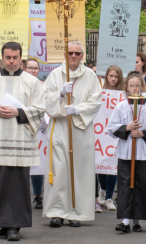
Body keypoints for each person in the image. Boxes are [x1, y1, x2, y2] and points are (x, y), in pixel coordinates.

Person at [0, 42, 45, 241]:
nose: (11, 61)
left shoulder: (32, 82)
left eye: (15, 58)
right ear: (2, 58)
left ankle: (14, 225)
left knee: (15, 184)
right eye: (8, 57)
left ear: (21, 58)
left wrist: (18, 111)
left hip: (19, 140)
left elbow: (40, 109)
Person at [43, 41, 102, 228]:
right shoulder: (55, 75)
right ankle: (57, 212)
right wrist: (60, 94)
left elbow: (96, 100)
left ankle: (77, 212)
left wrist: (78, 109)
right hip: (60, 127)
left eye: (77, 53)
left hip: (80, 129)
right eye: (70, 53)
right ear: (65, 55)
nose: (74, 56)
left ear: (82, 56)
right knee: (59, 169)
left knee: (80, 170)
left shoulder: (90, 75)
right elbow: (44, 99)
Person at [106, 71, 146, 233]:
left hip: (144, 154)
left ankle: (136, 221)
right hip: (126, 153)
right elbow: (111, 128)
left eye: (137, 85)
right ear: (127, 87)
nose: (134, 88)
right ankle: (125, 221)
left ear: (142, 86)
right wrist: (127, 128)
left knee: (141, 186)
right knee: (127, 186)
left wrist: (143, 133)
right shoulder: (121, 106)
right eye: (131, 85)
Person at [97, 65, 125, 212]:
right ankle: (102, 191)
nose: (113, 79)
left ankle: (108, 197)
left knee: (113, 166)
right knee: (101, 163)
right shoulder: (98, 92)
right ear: (106, 76)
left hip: (115, 133)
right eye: (111, 76)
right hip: (101, 133)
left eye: (116, 76)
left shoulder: (123, 94)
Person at [23, 59, 45, 210]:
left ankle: (38, 195)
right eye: (30, 68)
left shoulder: (44, 86)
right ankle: (23, 195)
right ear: (24, 69)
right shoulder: (19, 85)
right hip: (24, 125)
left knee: (40, 162)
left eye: (35, 68)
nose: (33, 71)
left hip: (42, 127)